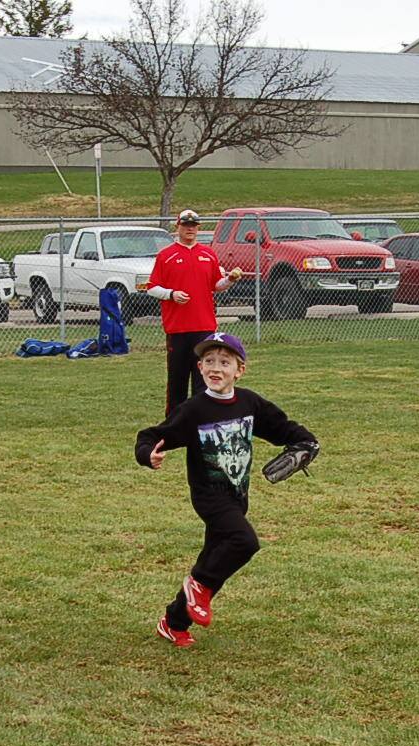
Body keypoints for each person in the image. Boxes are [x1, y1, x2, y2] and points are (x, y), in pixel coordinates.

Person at [135, 332, 317, 648]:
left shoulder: (249, 403)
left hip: (237, 494)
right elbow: (153, 434)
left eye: (224, 362)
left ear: (239, 370)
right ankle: (196, 586)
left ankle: (174, 622)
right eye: (208, 362)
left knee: (214, 560)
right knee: (243, 542)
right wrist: (147, 453)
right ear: (200, 367)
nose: (215, 368)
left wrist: (306, 441)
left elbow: (282, 427)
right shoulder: (195, 410)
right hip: (209, 494)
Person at [146, 209, 244, 414]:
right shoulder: (166, 255)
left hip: (204, 326)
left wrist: (230, 280)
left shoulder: (208, 254)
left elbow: (217, 284)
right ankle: (174, 421)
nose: (190, 229)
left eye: (194, 225)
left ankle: (202, 417)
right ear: (178, 227)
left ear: (198, 228)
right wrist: (171, 294)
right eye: (186, 225)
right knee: (177, 379)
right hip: (178, 328)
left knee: (204, 377)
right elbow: (152, 287)